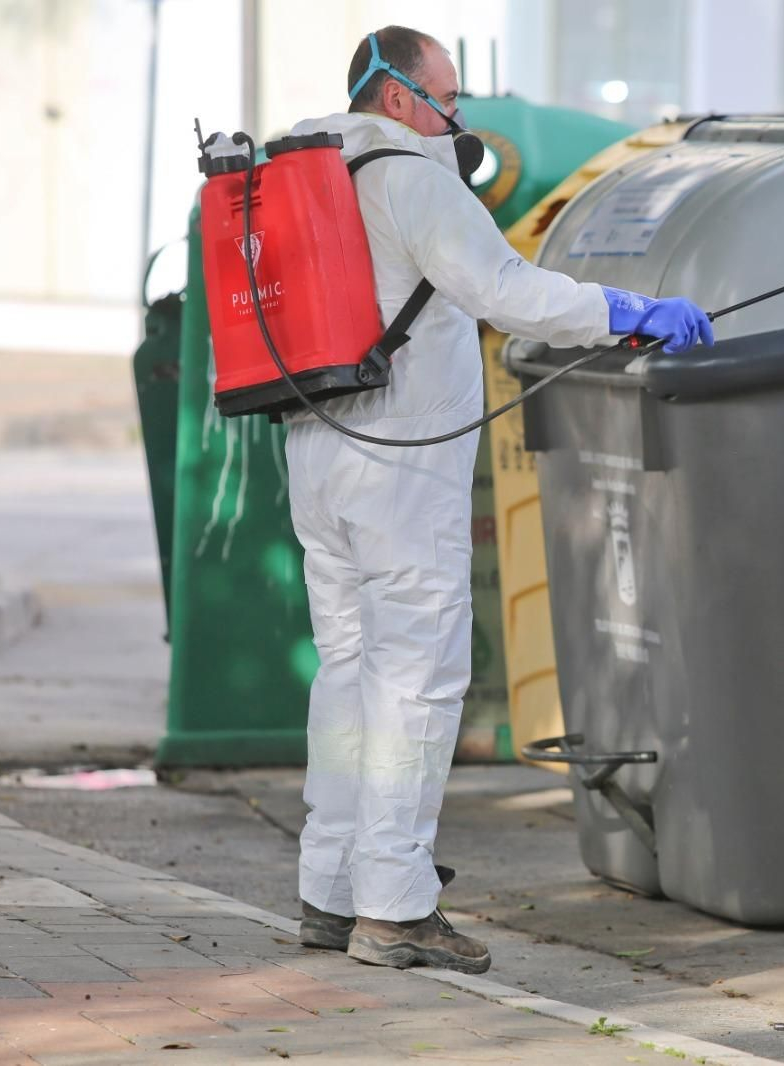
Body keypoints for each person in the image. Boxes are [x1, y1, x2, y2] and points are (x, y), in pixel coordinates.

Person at [283, 25, 713, 974]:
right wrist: (626, 312)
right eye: (447, 96)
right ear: (396, 95)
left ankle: (330, 889)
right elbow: (505, 289)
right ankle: (393, 908)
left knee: (348, 671)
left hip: (315, 450)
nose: (457, 114)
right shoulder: (413, 175)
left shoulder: (306, 169)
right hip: (396, 462)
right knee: (416, 679)